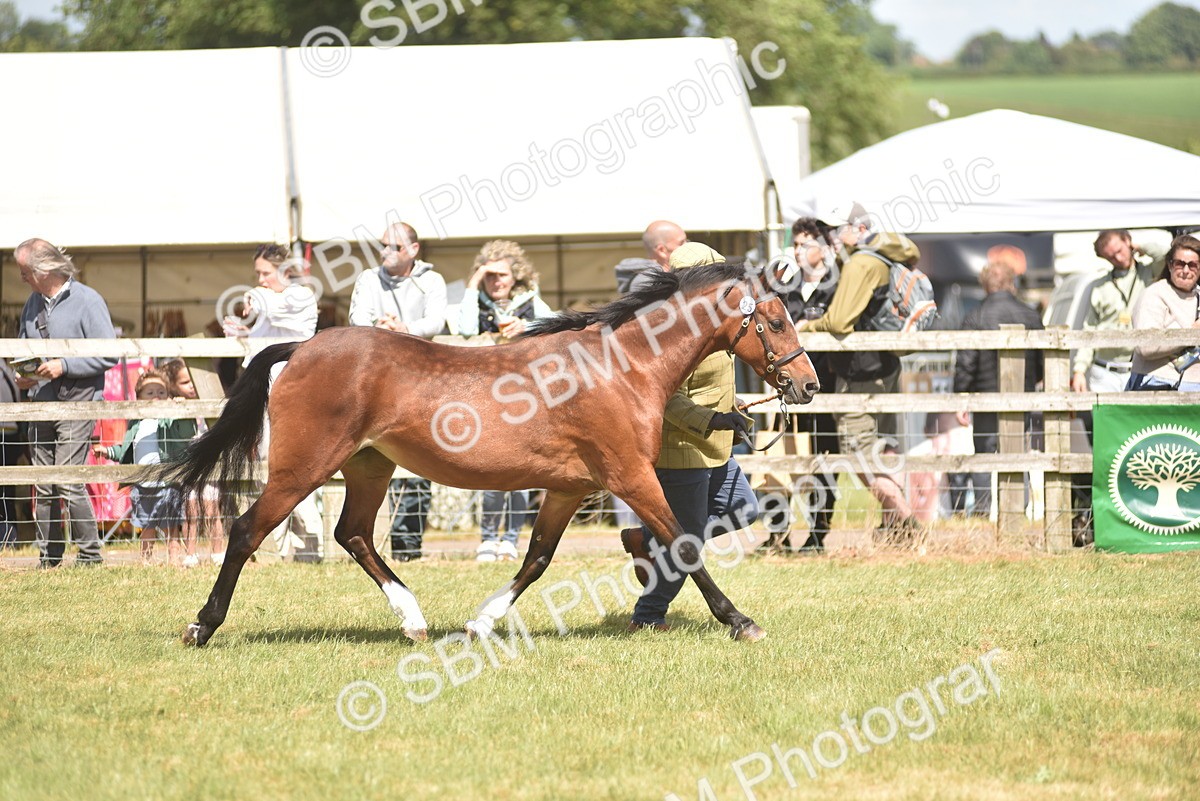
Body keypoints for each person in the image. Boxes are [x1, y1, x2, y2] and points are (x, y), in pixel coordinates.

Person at [620, 242, 758, 632]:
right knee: (688, 544)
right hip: (682, 453)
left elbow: (710, 382)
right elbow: (664, 401)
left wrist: (733, 404)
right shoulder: (668, 333)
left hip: (716, 448)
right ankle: (647, 617)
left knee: (745, 508)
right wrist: (710, 420)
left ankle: (649, 538)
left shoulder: (714, 321)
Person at [794, 201, 921, 542]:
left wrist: (806, 326)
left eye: (836, 230)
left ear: (859, 230)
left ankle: (908, 524)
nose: (830, 237)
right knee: (881, 450)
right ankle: (896, 528)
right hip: (885, 366)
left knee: (860, 455)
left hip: (861, 373)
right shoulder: (879, 257)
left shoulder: (859, 264)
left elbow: (838, 321)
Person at [14, 238, 118, 568]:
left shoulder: (88, 300)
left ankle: (89, 557)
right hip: (40, 401)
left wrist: (65, 365)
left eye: (24, 272)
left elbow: (109, 354)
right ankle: (49, 558)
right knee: (44, 483)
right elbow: (23, 346)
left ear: (43, 270)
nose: (22, 279)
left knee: (71, 480)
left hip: (78, 401)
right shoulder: (32, 303)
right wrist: (25, 373)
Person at [348, 222, 447, 561]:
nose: (387, 252)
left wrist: (403, 329)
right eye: (383, 245)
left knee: (423, 459)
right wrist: (382, 330)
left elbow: (436, 322)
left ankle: (409, 548)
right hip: (379, 380)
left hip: (421, 378)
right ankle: (381, 543)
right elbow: (357, 318)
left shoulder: (432, 280)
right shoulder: (367, 278)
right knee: (374, 461)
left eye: (396, 247)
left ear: (414, 250)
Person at [458, 240, 554, 562]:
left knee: (523, 472)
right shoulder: (477, 300)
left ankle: (510, 539)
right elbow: (465, 328)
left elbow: (557, 330)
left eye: (501, 275)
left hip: (525, 397)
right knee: (491, 470)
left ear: (516, 277)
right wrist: (472, 286)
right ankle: (487, 538)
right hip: (484, 395)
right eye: (489, 276)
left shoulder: (532, 303)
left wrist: (528, 327)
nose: (496, 282)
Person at [224, 244, 321, 561]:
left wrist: (257, 298)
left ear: (285, 271)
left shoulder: (301, 296)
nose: (262, 280)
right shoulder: (266, 302)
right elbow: (261, 339)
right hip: (264, 391)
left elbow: (280, 311)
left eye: (266, 273)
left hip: (296, 391)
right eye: (258, 274)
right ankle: (278, 548)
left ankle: (311, 547)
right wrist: (242, 331)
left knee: (298, 465)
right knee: (269, 466)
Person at [765, 217, 840, 551]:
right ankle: (776, 533)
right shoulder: (784, 288)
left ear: (823, 248)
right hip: (786, 389)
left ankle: (817, 535)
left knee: (825, 461)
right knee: (780, 458)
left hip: (827, 388)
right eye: (794, 244)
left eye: (804, 243)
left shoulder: (838, 287)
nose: (797, 250)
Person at [953, 259, 1045, 516]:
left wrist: (961, 398)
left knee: (983, 454)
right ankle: (1018, 510)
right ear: (1011, 283)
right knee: (1018, 452)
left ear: (985, 284)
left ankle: (983, 510)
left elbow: (966, 363)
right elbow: (1041, 359)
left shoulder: (975, 315)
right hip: (1021, 397)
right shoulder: (1030, 315)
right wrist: (1031, 381)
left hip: (985, 396)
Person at [92, 369, 196, 564]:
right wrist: (107, 452)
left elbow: (186, 434)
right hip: (142, 485)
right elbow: (126, 450)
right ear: (138, 398)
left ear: (169, 396)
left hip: (167, 481)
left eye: (161, 392)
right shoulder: (136, 424)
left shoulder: (169, 421)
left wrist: (182, 413)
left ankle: (174, 559)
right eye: (150, 393)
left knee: (170, 525)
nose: (156, 397)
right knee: (146, 525)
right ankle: (145, 560)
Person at [1071, 230, 1160, 394]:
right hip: (1104, 372)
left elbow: (1166, 256)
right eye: (1111, 257)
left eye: (1119, 251)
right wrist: (1079, 370)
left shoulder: (1150, 273)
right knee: (1106, 419)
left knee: (1138, 420)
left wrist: (1142, 247)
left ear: (1128, 241)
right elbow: (1089, 330)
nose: (1118, 258)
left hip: (1140, 368)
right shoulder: (1099, 286)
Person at [160, 358, 226, 565]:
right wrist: (177, 408)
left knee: (212, 509)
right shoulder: (176, 407)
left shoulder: (211, 401)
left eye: (193, 380)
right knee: (191, 511)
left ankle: (218, 552)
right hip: (189, 466)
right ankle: (191, 553)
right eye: (184, 382)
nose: (191, 386)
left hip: (210, 465)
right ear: (173, 386)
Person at [1126, 234, 1200, 392]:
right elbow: (1146, 347)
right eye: (1180, 264)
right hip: (1156, 385)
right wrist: (1191, 334)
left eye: (1192, 265)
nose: (1186, 270)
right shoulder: (1154, 295)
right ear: (1170, 265)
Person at [0, 361, 23, 548]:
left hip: (4, 434)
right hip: (13, 435)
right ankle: (10, 539)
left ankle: (7, 540)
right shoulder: (9, 371)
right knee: (8, 492)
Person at [629, 220, 688, 292]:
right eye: (681, 243)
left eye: (687, 241)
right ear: (661, 250)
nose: (688, 246)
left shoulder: (680, 273)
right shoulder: (648, 283)